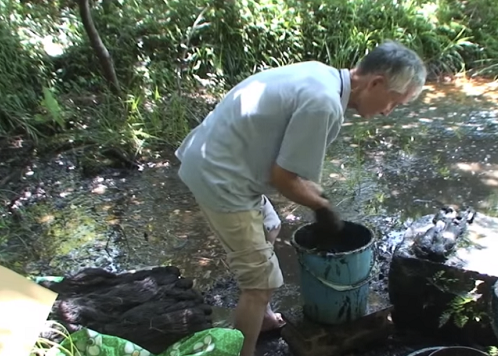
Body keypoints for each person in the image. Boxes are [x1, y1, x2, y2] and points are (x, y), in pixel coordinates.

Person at [174, 40, 426, 356]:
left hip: (218, 156)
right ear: (376, 83)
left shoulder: (320, 74)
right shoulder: (324, 103)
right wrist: (322, 206)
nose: (389, 112)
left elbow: (291, 170)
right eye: (394, 102)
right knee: (261, 283)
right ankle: (241, 351)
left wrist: (317, 197)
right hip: (221, 176)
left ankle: (262, 318)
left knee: (269, 226)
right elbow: (285, 179)